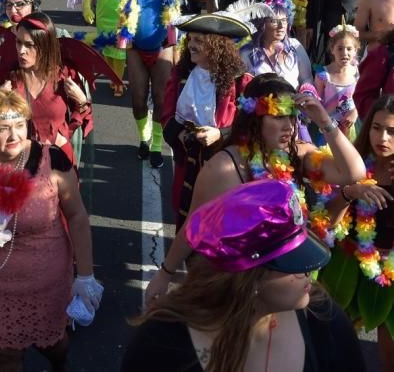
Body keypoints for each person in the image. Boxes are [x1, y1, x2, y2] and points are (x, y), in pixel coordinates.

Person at [145, 73, 366, 304]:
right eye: (277, 116)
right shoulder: (224, 168)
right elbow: (194, 227)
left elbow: (354, 172)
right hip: (238, 286)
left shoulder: (298, 155)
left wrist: (324, 121)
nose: (288, 126)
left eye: (292, 117)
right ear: (254, 119)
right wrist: (165, 274)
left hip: (286, 284)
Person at [123, 180, 366, 372]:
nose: (307, 271)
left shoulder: (323, 320)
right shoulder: (161, 344)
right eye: (293, 263)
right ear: (247, 279)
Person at [0, 87, 102, 371]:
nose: (15, 135)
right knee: (4, 357)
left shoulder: (52, 161)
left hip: (46, 289)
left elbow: (77, 216)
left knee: (53, 346)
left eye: (20, 125)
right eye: (4, 128)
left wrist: (86, 275)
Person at [84, 0, 236, 168]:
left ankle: (156, 144)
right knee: (139, 98)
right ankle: (143, 138)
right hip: (135, 48)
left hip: (164, 47)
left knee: (163, 99)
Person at [317, 95, 394, 372]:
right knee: (335, 348)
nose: (382, 137)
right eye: (376, 127)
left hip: (388, 275)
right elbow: (326, 220)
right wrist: (351, 192)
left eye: (392, 131)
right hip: (346, 264)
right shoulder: (354, 164)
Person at [162, 10, 253, 228]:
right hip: (188, 165)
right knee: (187, 224)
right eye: (190, 40)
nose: (191, 45)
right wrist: (182, 134)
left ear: (216, 46)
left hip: (224, 169)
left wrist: (220, 134)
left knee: (218, 224)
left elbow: (249, 126)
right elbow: (166, 114)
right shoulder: (181, 74)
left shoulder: (241, 82)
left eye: (199, 41)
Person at [8, 13, 92, 164]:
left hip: (58, 160)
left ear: (44, 46)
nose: (21, 51)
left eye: (29, 45)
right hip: (20, 162)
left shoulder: (64, 75)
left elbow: (83, 114)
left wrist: (81, 102)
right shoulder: (10, 78)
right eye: (18, 43)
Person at [240, 0, 313, 90]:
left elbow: (307, 79)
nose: (281, 26)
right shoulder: (248, 53)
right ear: (262, 24)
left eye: (284, 20)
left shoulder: (295, 46)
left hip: (294, 104)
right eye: (274, 21)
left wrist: (306, 92)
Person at [314, 23, 360, 143]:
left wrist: (354, 113)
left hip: (351, 128)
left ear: (355, 50)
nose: (344, 53)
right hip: (329, 130)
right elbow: (316, 103)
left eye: (349, 49)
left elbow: (362, 98)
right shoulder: (323, 75)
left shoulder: (357, 73)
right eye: (340, 48)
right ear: (332, 50)